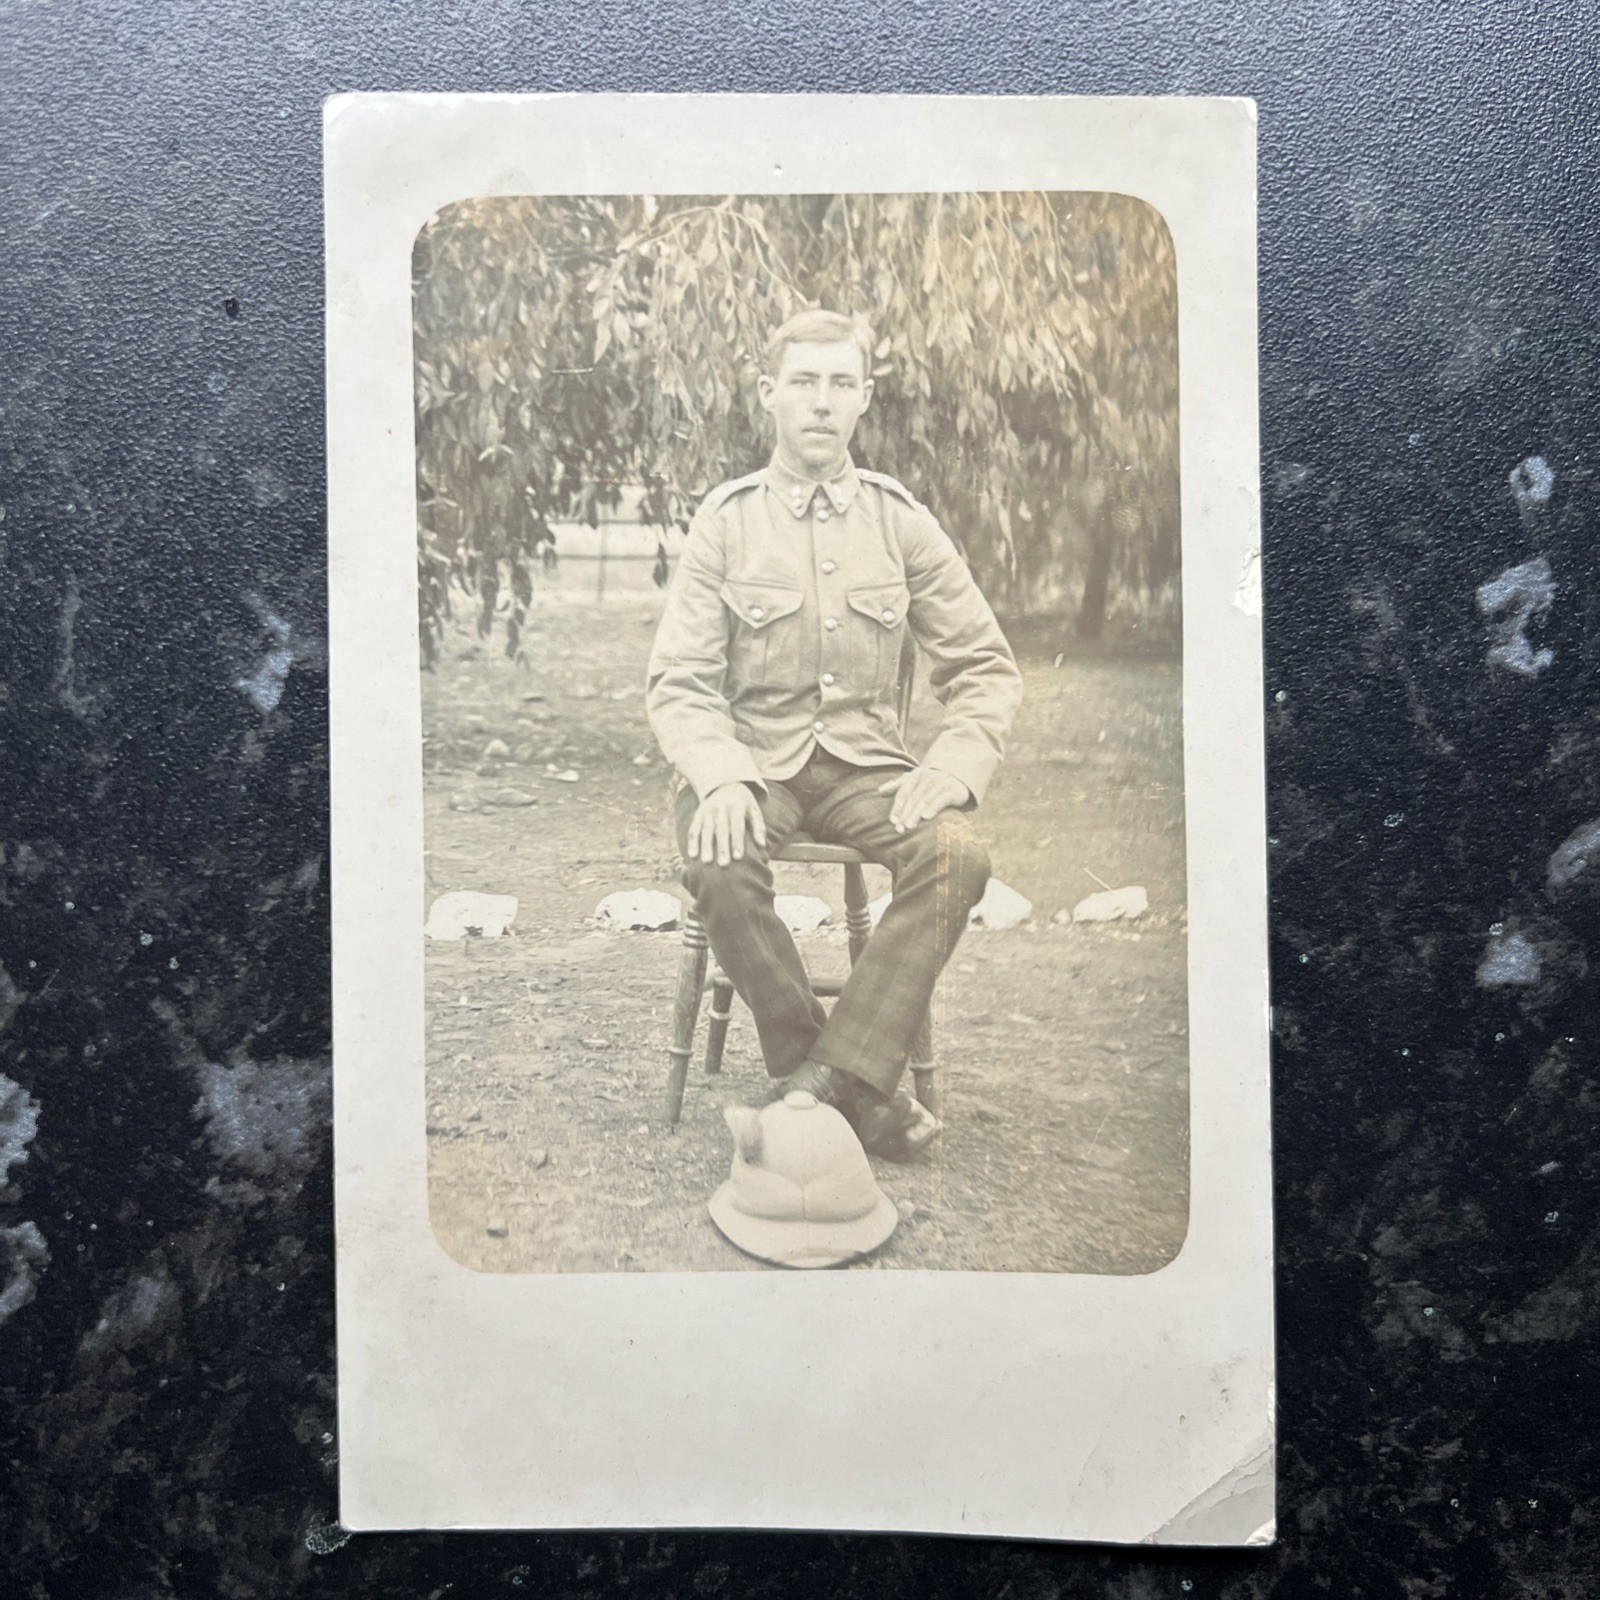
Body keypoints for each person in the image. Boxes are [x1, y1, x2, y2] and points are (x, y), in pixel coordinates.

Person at [646, 308, 1023, 1159]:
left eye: (841, 383)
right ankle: (846, 1085)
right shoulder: (727, 520)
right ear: (768, 393)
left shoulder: (900, 521)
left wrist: (955, 764)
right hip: (754, 768)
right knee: (716, 858)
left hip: (868, 773)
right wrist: (721, 775)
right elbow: (681, 679)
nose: (822, 401)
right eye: (804, 382)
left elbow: (986, 665)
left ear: (865, 399)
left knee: (958, 853)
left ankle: (817, 1086)